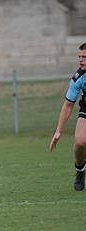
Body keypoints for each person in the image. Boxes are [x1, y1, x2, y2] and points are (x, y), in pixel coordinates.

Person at [49, 43, 86, 191]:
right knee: (80, 142)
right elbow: (68, 105)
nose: (81, 60)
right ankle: (80, 170)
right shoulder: (79, 77)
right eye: (79, 57)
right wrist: (58, 131)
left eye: (84, 57)